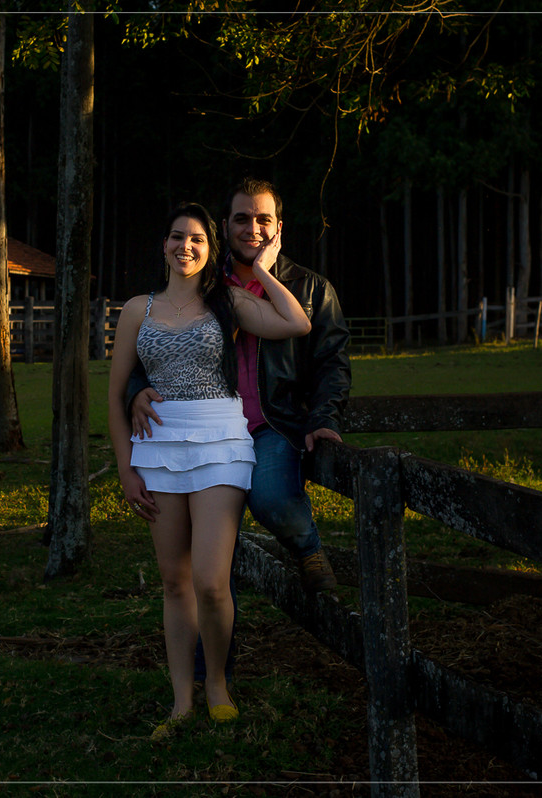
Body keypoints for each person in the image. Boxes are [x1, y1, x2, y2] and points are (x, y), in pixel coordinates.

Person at [128, 178, 352, 681]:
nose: (252, 228)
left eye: (263, 219)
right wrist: (135, 390)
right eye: (241, 218)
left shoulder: (312, 288)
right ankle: (211, 675)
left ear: (279, 227)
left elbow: (331, 363)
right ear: (224, 225)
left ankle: (307, 548)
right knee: (210, 568)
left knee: (271, 497)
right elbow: (155, 343)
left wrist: (323, 418)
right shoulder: (205, 280)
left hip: (271, 424)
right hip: (207, 433)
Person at [108, 202, 311, 741]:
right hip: (157, 448)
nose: (186, 246)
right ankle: (181, 701)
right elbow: (115, 394)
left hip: (220, 442)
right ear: (164, 245)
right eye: (177, 237)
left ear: (209, 247)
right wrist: (126, 469)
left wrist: (263, 267)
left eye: (197, 239)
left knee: (211, 582)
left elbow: (297, 322)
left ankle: (217, 683)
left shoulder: (228, 301)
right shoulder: (137, 310)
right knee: (175, 582)